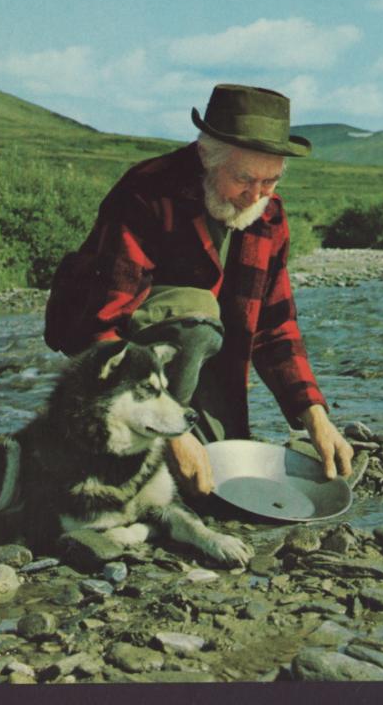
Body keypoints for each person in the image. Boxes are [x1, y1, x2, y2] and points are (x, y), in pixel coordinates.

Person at [45, 83, 353, 496]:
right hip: (118, 361)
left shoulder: (269, 216)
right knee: (195, 315)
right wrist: (172, 433)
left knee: (217, 481)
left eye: (270, 181)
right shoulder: (147, 192)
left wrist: (314, 415)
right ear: (208, 158)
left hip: (203, 361)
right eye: (244, 178)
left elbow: (276, 329)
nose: (256, 195)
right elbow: (102, 328)